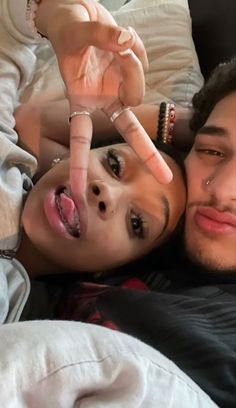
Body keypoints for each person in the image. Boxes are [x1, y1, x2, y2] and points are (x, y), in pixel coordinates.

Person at [18, 59, 235, 407]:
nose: (221, 189)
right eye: (211, 151)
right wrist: (190, 122)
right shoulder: (170, 220)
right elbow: (32, 125)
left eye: (137, 223)